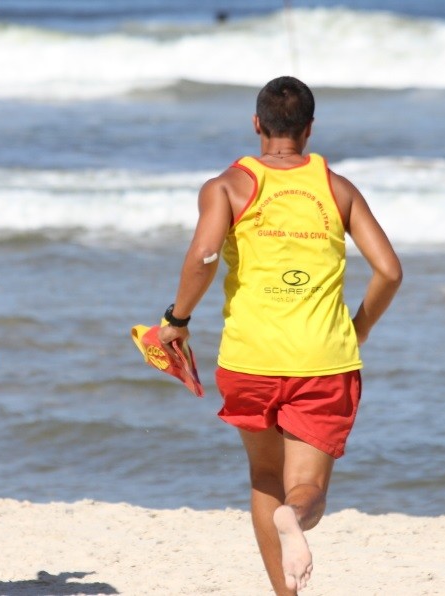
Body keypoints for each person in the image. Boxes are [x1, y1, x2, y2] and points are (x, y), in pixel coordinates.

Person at [158, 76, 402, 595]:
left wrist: (176, 321)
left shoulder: (227, 185)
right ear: (309, 130)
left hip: (249, 359)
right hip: (325, 359)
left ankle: (284, 593)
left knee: (264, 474)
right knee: (305, 489)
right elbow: (389, 272)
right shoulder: (337, 188)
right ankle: (297, 519)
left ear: (256, 125)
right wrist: (354, 332)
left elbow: (202, 259)